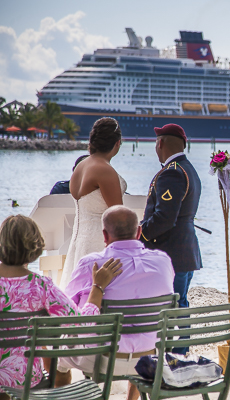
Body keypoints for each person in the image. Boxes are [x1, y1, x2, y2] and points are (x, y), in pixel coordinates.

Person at [59, 205, 174, 400]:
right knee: (140, 330)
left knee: (57, 357)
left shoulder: (91, 264)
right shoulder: (162, 261)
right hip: (149, 356)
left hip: (102, 359)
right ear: (139, 232)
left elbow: (66, 312)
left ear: (104, 235)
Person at [0, 215, 121, 394]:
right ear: (35, 246)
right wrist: (97, 288)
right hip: (24, 379)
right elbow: (81, 326)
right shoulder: (41, 286)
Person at [140, 123, 201, 354]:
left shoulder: (172, 171)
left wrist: (140, 234)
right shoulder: (188, 168)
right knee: (180, 304)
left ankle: (176, 355)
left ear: (161, 143)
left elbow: (165, 218)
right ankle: (181, 354)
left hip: (170, 252)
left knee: (171, 306)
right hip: (183, 249)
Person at [59, 117, 126, 290]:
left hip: (79, 239)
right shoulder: (104, 170)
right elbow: (118, 215)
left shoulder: (81, 165)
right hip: (100, 242)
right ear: (117, 143)